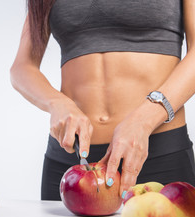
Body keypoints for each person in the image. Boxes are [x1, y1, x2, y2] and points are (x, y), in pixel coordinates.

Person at [10, 0, 195, 201]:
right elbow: (22, 67)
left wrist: (143, 121)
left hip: (157, 154)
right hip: (72, 165)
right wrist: (57, 103)